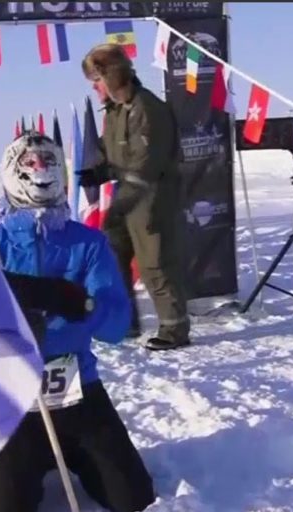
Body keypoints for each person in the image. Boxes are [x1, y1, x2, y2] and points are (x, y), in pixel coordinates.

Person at [0, 131, 156, 512]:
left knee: (133, 499)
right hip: (12, 400)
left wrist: (79, 305)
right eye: (31, 164)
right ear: (13, 172)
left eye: (49, 162)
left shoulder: (87, 243)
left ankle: (74, 456)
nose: (42, 172)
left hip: (77, 391)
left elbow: (116, 325)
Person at [75, 43, 191, 351]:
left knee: (155, 262)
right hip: (127, 196)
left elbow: (145, 166)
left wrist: (120, 205)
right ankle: (126, 322)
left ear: (111, 77)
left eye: (97, 81)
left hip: (152, 198)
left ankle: (174, 328)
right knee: (114, 257)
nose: (95, 89)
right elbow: (114, 151)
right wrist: (97, 172)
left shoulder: (148, 109)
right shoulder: (115, 111)